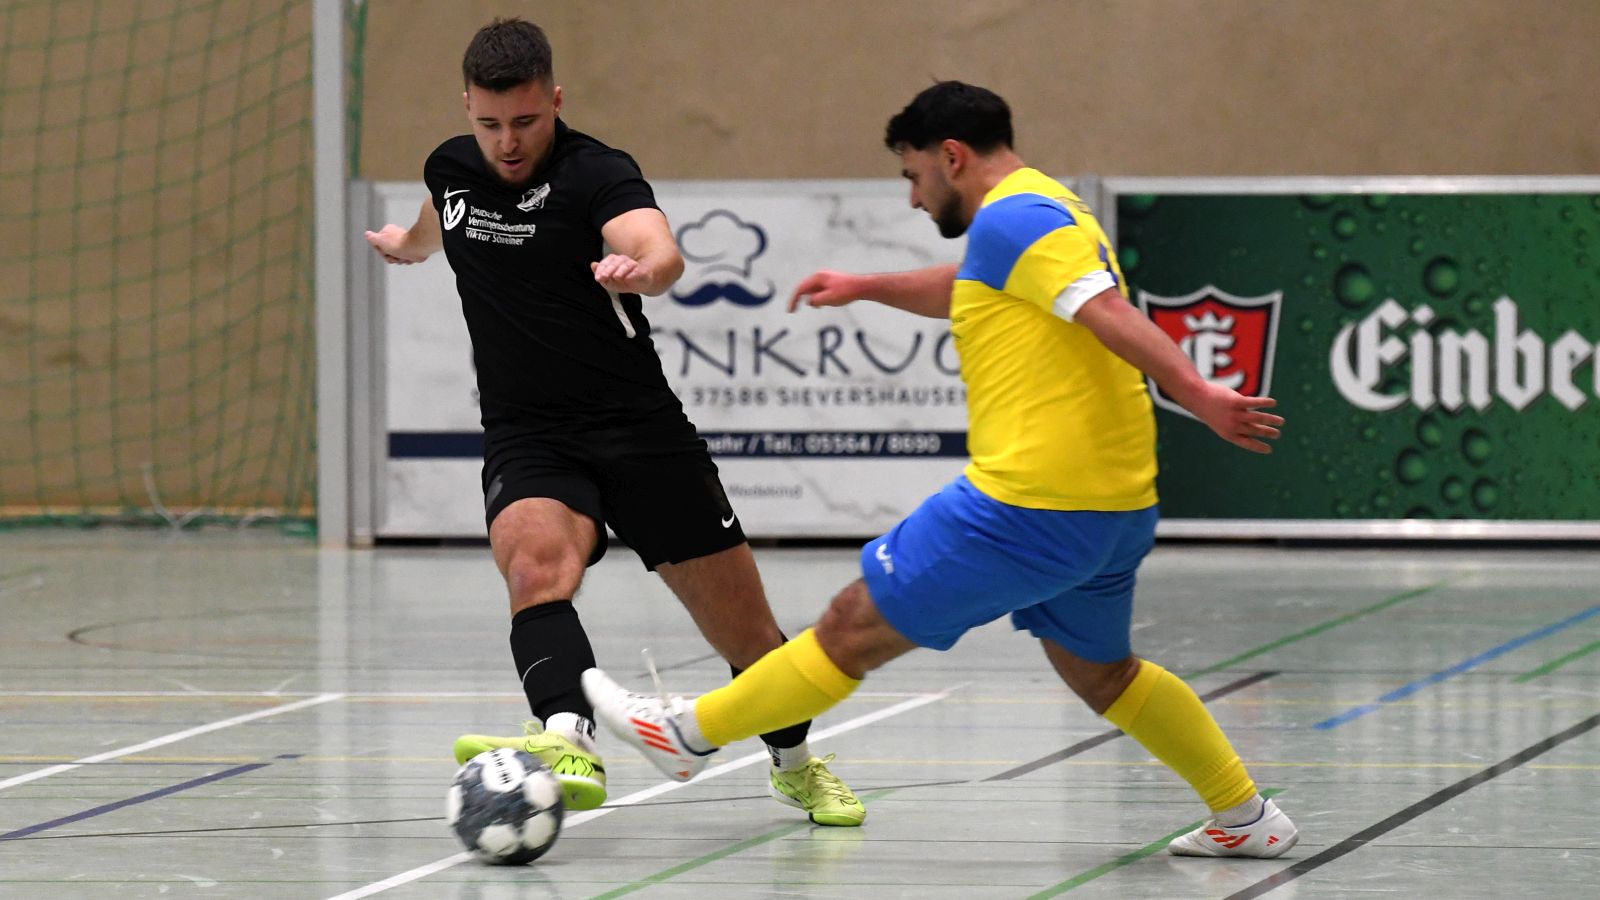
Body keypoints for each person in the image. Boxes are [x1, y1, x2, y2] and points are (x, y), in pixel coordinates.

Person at [584, 80, 1299, 857]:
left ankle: (686, 735)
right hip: (1112, 507)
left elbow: (1111, 315)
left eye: (913, 175)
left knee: (851, 626)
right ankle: (1247, 814)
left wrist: (1198, 394)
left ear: (951, 157)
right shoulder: (1039, 213)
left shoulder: (1015, 219)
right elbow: (973, 288)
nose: (914, 199)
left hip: (1031, 504)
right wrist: (865, 287)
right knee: (1105, 675)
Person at [363, 17, 863, 826]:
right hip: (531, 433)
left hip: (641, 434)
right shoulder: (453, 168)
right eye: (489, 124)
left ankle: (796, 764)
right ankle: (568, 734)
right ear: (467, 109)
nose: (508, 142)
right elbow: (439, 217)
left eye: (526, 121)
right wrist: (409, 245)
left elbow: (656, 245)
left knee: (752, 642)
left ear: (555, 100)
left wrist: (647, 267)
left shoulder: (598, 174)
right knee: (534, 570)